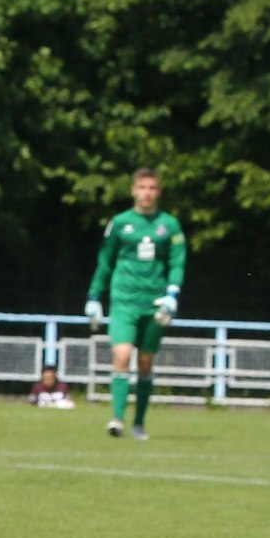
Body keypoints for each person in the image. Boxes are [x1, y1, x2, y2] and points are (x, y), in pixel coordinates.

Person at [83, 167, 186, 440]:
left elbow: (177, 262)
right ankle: (117, 419)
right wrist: (94, 296)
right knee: (122, 354)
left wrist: (172, 293)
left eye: (152, 188)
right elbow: (105, 261)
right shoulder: (120, 223)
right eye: (142, 187)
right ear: (133, 190)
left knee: (145, 362)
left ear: (158, 192)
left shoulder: (170, 225)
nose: (147, 193)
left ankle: (139, 423)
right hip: (124, 302)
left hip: (154, 303)